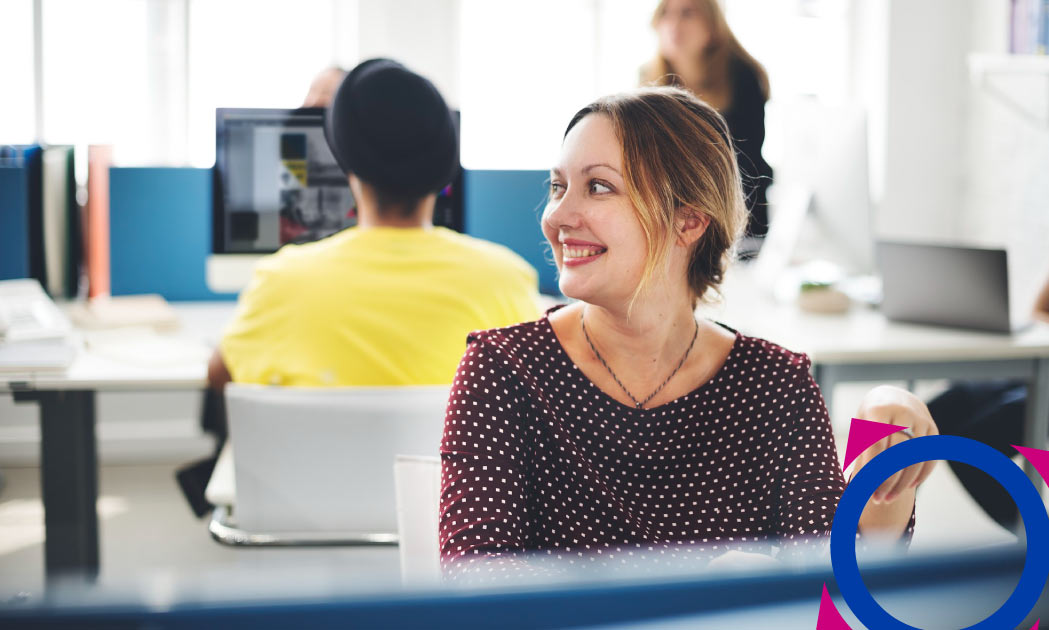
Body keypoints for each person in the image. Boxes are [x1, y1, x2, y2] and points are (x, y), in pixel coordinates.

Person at [438, 87, 937, 578]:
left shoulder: (775, 385)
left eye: (598, 186)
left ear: (689, 219)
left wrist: (889, 449)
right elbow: (477, 577)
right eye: (557, 186)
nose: (558, 217)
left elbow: (833, 575)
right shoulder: (504, 369)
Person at [178, 59, 540, 516]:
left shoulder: (283, 280)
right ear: (445, 167)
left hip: (307, 527)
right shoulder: (505, 279)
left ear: (344, 160)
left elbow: (221, 376)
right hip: (455, 529)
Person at [640, 0, 773, 239]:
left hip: (738, 216)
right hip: (673, 220)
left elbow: (744, 164)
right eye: (666, 14)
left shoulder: (743, 78)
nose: (674, 24)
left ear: (712, 27)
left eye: (687, 14)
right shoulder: (648, 81)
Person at [927, 274, 1049, 530]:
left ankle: (1038, 542)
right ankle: (889, 541)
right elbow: (1038, 311)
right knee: (930, 419)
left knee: (970, 448)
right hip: (1038, 364)